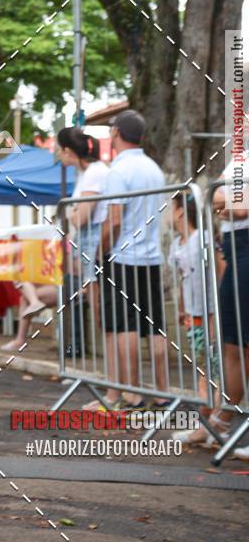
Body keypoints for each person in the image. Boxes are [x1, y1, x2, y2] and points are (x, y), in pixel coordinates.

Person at [97, 110, 169, 412]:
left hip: (125, 255)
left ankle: (133, 395)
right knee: (154, 327)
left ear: (115, 134)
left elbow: (114, 219)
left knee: (124, 325)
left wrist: (101, 252)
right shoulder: (154, 168)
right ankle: (164, 395)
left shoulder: (119, 171)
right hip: (151, 256)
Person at [167, 192, 220, 444]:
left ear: (180, 212)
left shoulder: (203, 239)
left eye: (170, 208)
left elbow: (216, 280)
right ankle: (207, 425)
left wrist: (214, 320)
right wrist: (182, 308)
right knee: (203, 368)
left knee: (214, 370)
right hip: (192, 316)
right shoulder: (177, 244)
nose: (166, 214)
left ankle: (212, 424)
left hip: (209, 315)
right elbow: (182, 277)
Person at [55, 127, 109, 363]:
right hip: (91, 242)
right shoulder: (89, 173)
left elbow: (80, 217)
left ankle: (115, 385)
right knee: (98, 309)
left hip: (95, 242)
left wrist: (74, 211)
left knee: (101, 311)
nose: (57, 154)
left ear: (68, 151)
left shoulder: (93, 174)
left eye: (58, 149)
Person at [211, 149, 249, 454]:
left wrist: (226, 205)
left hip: (244, 245)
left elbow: (237, 209)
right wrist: (227, 205)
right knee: (233, 342)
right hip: (234, 249)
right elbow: (214, 199)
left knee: (242, 341)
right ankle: (221, 421)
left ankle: (222, 420)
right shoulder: (240, 159)